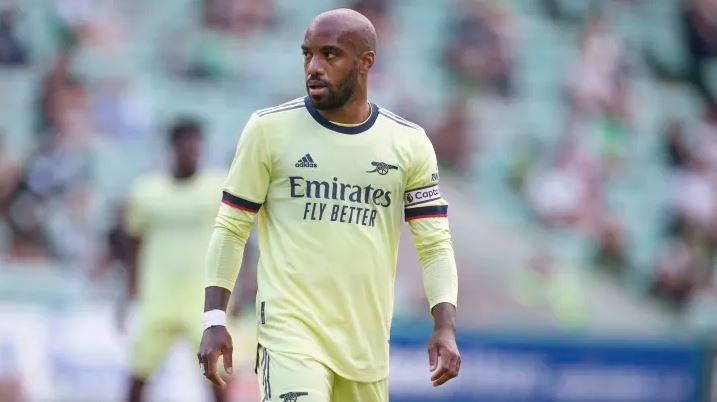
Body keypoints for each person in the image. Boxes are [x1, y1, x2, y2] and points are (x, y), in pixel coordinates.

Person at [198, 8, 460, 402]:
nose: (314, 67)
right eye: (307, 54)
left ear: (366, 61)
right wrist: (214, 318)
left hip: (366, 346)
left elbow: (434, 244)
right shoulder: (268, 130)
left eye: (330, 55)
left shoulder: (409, 144)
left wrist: (445, 325)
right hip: (289, 335)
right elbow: (231, 228)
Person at [123, 119, 226, 402]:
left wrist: (238, 285)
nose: (191, 151)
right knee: (139, 375)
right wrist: (130, 288)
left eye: (195, 145)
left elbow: (236, 238)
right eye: (185, 144)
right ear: (172, 147)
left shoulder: (216, 188)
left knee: (215, 375)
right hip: (158, 297)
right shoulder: (147, 191)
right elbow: (134, 242)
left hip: (202, 299)